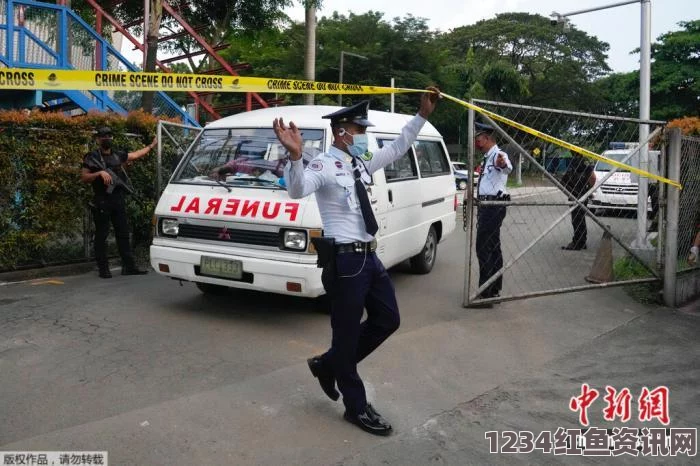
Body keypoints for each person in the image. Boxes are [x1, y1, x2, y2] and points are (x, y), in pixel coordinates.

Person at [272, 88, 440, 436]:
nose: (365, 136)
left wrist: (421, 116)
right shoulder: (321, 164)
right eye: (360, 131)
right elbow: (297, 190)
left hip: (370, 257)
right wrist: (295, 157)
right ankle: (356, 406)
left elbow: (397, 148)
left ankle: (328, 364)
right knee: (347, 337)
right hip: (346, 262)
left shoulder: (360, 162)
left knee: (388, 319)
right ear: (342, 132)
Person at [80, 126, 155, 278]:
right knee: (102, 235)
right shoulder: (92, 157)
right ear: (97, 139)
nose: (106, 138)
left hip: (117, 200)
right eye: (103, 136)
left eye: (109, 135)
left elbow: (136, 155)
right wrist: (100, 173)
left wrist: (152, 146)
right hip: (101, 200)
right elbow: (84, 178)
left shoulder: (118, 155)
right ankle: (103, 269)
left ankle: (129, 267)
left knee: (123, 234)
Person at [473, 122, 512, 304]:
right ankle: (494, 288)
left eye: (478, 140)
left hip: (493, 206)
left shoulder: (498, 155)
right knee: (493, 247)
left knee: (484, 247)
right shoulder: (488, 156)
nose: (476, 144)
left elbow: (506, 167)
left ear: (487, 139)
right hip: (488, 205)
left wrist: (502, 164)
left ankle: (486, 292)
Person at [561, 154, 596, 250]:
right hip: (579, 194)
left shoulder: (578, 164)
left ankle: (578, 242)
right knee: (579, 219)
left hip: (577, 194)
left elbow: (593, 178)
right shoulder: (582, 163)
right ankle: (581, 241)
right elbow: (592, 178)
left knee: (577, 220)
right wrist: (588, 190)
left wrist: (588, 189)